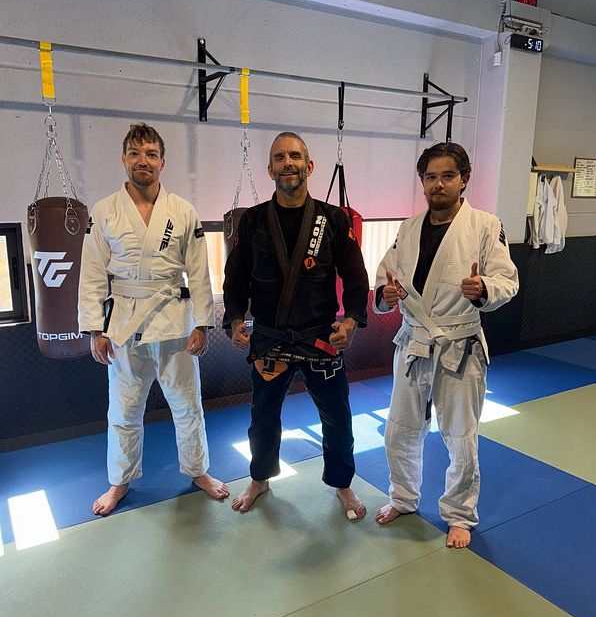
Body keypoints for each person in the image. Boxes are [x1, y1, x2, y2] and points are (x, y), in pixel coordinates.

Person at [79, 123, 229, 515]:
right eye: (134, 153)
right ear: (124, 159)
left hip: (174, 320)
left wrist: (202, 323)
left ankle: (198, 472)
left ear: (163, 162)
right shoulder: (105, 210)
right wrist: (95, 328)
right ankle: (120, 482)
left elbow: (199, 270)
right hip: (124, 323)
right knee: (124, 409)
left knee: (187, 403)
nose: (142, 161)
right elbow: (93, 271)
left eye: (150, 154)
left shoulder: (182, 210)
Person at [373, 142, 518, 547]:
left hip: (459, 345)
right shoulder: (408, 227)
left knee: (460, 436)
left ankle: (458, 514)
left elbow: (508, 281)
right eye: (431, 177)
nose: (438, 184)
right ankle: (403, 497)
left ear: (464, 179)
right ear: (422, 182)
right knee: (399, 430)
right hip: (415, 342)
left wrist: (483, 288)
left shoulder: (486, 226)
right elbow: (387, 278)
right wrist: (384, 297)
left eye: (447, 176)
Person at [223, 132, 370, 519]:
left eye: (294, 155)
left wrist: (352, 318)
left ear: (309, 166)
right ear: (270, 168)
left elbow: (356, 276)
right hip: (270, 336)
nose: (287, 162)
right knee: (263, 416)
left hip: (320, 335)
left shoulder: (334, 219)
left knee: (337, 416)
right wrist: (236, 318)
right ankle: (259, 478)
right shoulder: (252, 220)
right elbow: (234, 278)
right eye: (279, 157)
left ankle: (343, 484)